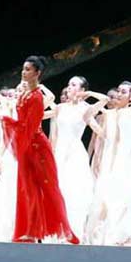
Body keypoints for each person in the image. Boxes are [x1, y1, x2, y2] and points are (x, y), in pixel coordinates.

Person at [0, 55, 79, 244]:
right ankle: (30, 231)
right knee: (28, 189)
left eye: (28, 69)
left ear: (37, 73)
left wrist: (7, 121)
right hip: (26, 145)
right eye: (23, 68)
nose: (23, 72)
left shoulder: (36, 97)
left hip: (37, 147)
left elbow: (29, 126)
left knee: (48, 187)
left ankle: (65, 230)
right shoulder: (24, 94)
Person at [44, 76, 108, 242]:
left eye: (73, 85)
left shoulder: (85, 109)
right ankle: (55, 232)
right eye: (69, 84)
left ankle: (72, 231)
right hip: (60, 152)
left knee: (73, 191)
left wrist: (89, 94)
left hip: (75, 153)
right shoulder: (60, 107)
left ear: (81, 90)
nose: (69, 87)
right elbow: (41, 115)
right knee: (58, 191)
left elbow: (105, 100)